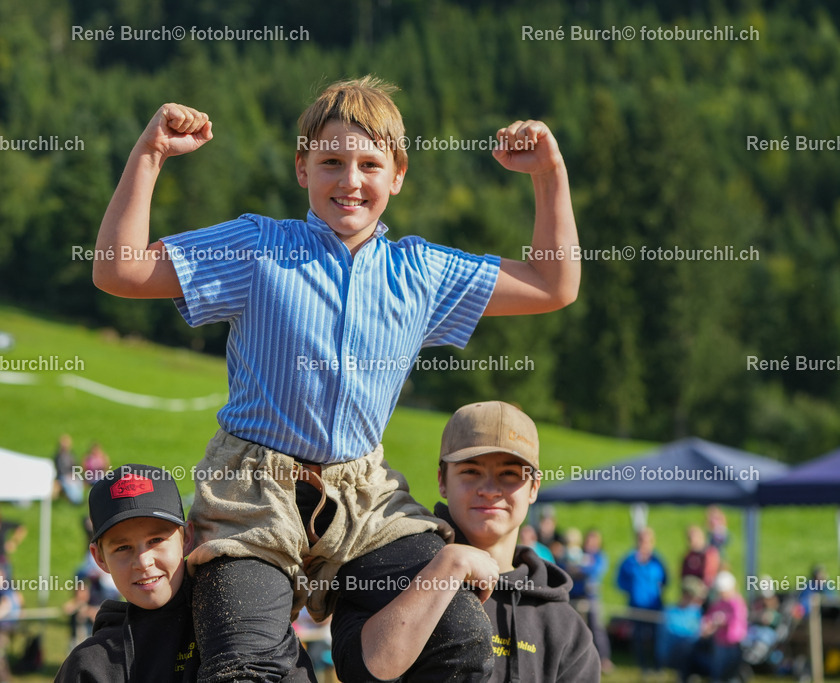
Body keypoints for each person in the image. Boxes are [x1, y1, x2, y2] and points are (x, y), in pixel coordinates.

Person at [92, 74, 581, 681]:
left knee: (457, 635)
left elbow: (552, 284)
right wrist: (150, 155)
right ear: (302, 168)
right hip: (252, 494)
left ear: (398, 174)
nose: (350, 180)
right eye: (331, 161)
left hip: (365, 502)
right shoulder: (258, 249)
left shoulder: (422, 273)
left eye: (369, 164)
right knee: (244, 666)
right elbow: (120, 271)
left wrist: (548, 173)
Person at [333, 401, 601, 681]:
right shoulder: (391, 567)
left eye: (509, 474)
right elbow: (358, 670)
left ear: (534, 488)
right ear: (442, 480)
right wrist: (447, 569)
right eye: (471, 471)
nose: (488, 490)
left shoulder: (565, 627)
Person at [55, 464, 316, 682]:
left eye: (156, 540)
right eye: (123, 547)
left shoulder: (241, 620)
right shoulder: (90, 665)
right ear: (99, 558)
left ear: (187, 538)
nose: (143, 561)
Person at [617, 526, 668, 677]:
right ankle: (642, 666)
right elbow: (620, 581)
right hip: (636, 605)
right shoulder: (629, 561)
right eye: (641, 540)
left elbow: (665, 580)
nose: (644, 543)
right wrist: (633, 589)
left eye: (647, 540)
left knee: (656, 637)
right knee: (638, 637)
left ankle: (658, 666)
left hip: (654, 605)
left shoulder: (657, 560)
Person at [570, 528, 614, 673]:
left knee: (597, 627)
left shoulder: (600, 556)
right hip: (577, 597)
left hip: (592, 598)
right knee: (578, 628)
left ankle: (603, 659)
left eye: (594, 540)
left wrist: (580, 570)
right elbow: (567, 567)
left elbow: (595, 570)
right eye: (588, 540)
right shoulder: (578, 553)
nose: (590, 543)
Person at [657, 575, 707, 682]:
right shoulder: (670, 611)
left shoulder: (696, 611)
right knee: (686, 647)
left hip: (694, 653)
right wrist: (697, 633)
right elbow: (673, 631)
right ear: (686, 595)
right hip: (673, 654)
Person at [702, 571, 748, 682]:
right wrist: (707, 625)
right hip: (720, 643)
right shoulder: (718, 603)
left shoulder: (736, 603)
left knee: (732, 673)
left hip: (733, 643)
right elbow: (709, 617)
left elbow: (737, 623)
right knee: (718, 670)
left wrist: (723, 621)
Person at [680, 524, 719, 589]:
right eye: (689, 538)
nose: (692, 541)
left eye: (694, 538)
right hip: (690, 588)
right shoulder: (688, 555)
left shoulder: (709, 553)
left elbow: (709, 574)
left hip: (705, 588)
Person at [53, 434, 84, 504]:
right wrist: (68, 475)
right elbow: (60, 468)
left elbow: (74, 465)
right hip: (63, 476)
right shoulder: (58, 456)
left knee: (78, 482)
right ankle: (74, 501)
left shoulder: (70, 455)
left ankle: (79, 500)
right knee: (70, 484)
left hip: (71, 474)